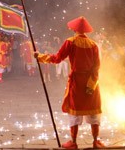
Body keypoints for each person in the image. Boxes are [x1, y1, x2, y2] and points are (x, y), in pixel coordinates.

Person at [34, 16, 105, 149]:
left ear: (74, 29)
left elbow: (57, 58)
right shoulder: (94, 45)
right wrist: (92, 83)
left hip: (76, 82)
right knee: (93, 112)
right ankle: (96, 141)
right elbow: (97, 67)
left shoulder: (70, 42)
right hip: (91, 82)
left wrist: (40, 57)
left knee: (74, 112)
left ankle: (73, 142)